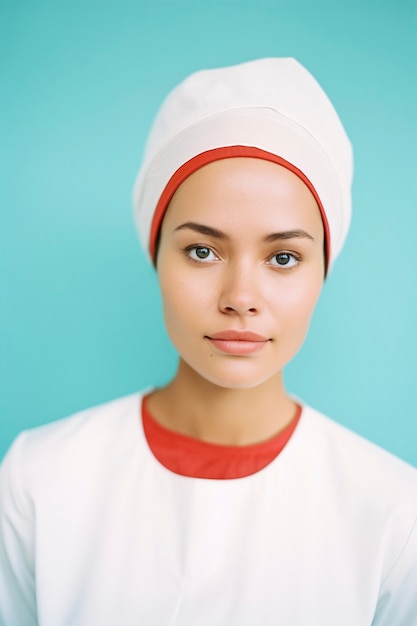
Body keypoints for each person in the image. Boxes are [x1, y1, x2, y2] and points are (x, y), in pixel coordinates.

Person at [1, 58, 416, 626]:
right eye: (202, 250)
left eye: (284, 257)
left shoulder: (394, 512)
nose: (240, 297)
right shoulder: (38, 478)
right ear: (156, 255)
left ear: (323, 272)